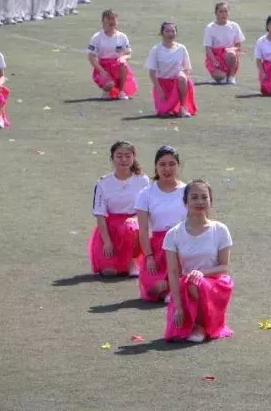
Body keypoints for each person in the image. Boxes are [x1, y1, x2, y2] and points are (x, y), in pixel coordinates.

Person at [163, 180, 234, 343]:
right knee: (176, 332)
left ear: (210, 201)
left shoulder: (220, 230)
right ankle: (191, 317)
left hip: (215, 284)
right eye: (194, 197)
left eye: (204, 197)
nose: (200, 202)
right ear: (186, 201)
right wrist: (179, 307)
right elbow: (173, 273)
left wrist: (202, 273)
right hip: (187, 286)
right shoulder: (173, 234)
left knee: (196, 281)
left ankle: (201, 325)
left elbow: (224, 267)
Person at [88, 141, 149, 277]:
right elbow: (100, 215)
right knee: (110, 271)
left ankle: (133, 260)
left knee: (130, 227)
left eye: (128, 156)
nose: (124, 160)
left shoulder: (142, 180)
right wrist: (107, 242)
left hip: (134, 225)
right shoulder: (103, 182)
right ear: (112, 159)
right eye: (119, 156)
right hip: (111, 229)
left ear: (134, 157)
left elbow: (146, 209)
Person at [135, 146, 187, 301]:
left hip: (183, 244)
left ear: (179, 166)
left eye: (172, 164)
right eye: (162, 164)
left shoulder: (187, 191)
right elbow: (143, 230)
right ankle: (171, 287)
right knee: (153, 289)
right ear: (156, 167)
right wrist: (149, 257)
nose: (167, 169)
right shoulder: (145, 194)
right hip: (159, 247)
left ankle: (176, 289)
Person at [145, 21, 198, 118]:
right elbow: (152, 73)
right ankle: (168, 104)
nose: (170, 34)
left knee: (182, 78)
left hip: (177, 84)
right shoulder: (156, 49)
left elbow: (187, 69)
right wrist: (159, 89)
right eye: (167, 31)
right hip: (162, 84)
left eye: (173, 31)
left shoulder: (181, 48)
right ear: (162, 33)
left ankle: (182, 107)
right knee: (163, 113)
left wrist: (182, 75)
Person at [88, 9, 137, 100]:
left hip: (117, 66)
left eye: (113, 19)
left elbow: (128, 53)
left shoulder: (122, 36)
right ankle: (106, 91)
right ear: (103, 22)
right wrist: (102, 71)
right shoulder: (97, 37)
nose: (111, 22)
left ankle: (121, 92)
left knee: (124, 65)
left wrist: (124, 58)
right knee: (110, 84)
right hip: (103, 66)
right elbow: (91, 57)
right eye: (108, 20)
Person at [203, 2, 245, 84]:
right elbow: (208, 48)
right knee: (221, 77)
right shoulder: (210, 27)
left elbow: (238, 45)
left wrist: (232, 50)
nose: (224, 14)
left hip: (228, 55)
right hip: (215, 56)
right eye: (221, 12)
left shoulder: (234, 26)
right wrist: (214, 60)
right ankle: (222, 75)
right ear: (216, 13)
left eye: (226, 11)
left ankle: (231, 76)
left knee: (231, 54)